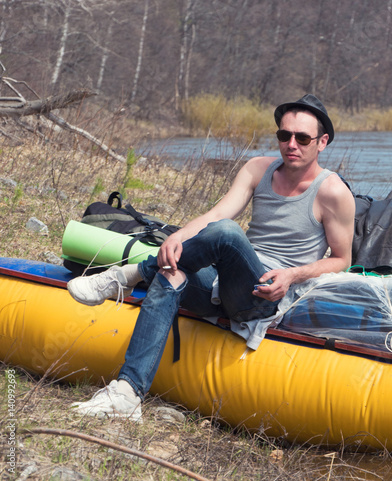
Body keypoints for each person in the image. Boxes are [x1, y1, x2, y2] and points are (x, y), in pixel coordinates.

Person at [68, 93, 355, 421]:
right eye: (284, 135)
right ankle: (127, 392)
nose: (292, 144)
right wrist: (176, 236)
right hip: (226, 280)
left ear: (322, 142)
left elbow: (342, 258)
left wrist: (292, 275)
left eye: (302, 138)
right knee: (171, 272)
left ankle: (129, 275)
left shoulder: (333, 192)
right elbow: (217, 212)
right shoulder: (258, 169)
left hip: (266, 296)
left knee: (228, 233)